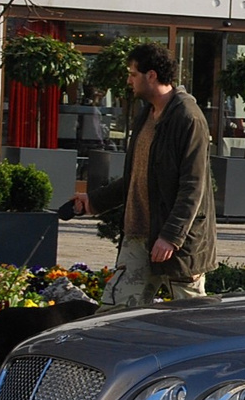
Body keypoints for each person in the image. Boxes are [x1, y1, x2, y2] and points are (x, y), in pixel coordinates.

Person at [70, 43, 217, 304]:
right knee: (114, 313)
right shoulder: (146, 116)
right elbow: (138, 176)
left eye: (133, 74)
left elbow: (194, 187)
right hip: (139, 236)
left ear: (151, 75)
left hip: (179, 245)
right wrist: (94, 201)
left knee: (192, 320)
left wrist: (171, 237)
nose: (129, 81)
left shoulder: (188, 118)